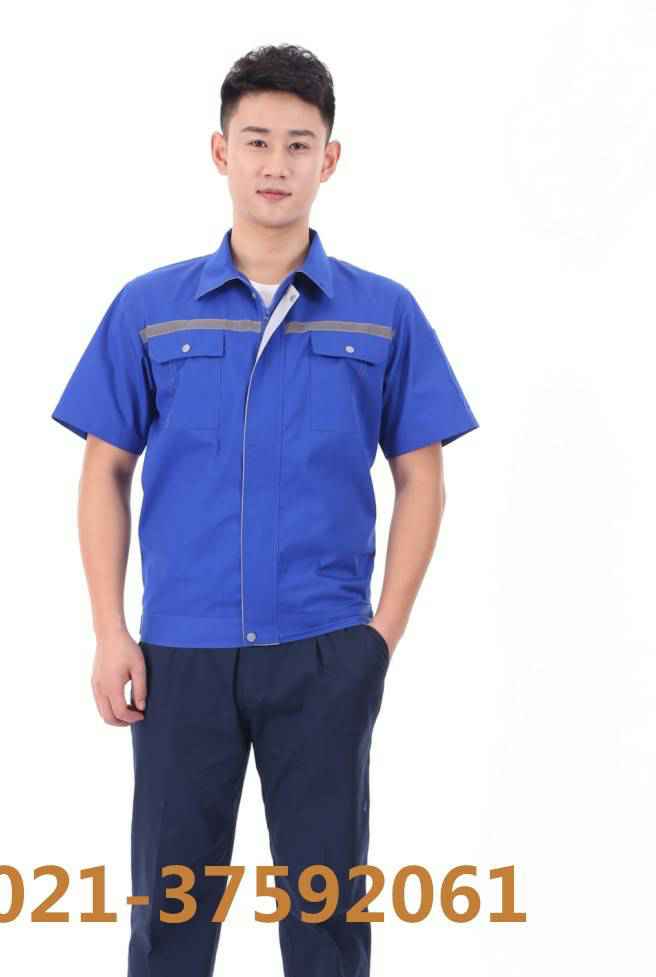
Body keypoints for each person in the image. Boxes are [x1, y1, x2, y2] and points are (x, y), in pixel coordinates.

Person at [51, 43, 479, 977]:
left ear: (330, 158)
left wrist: (380, 637)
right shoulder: (150, 309)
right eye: (256, 141)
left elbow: (422, 476)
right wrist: (110, 630)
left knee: (327, 922)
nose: (275, 164)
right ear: (221, 152)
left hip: (324, 652)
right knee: (170, 920)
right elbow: (104, 469)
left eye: (298, 143)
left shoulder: (383, 313)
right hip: (180, 654)